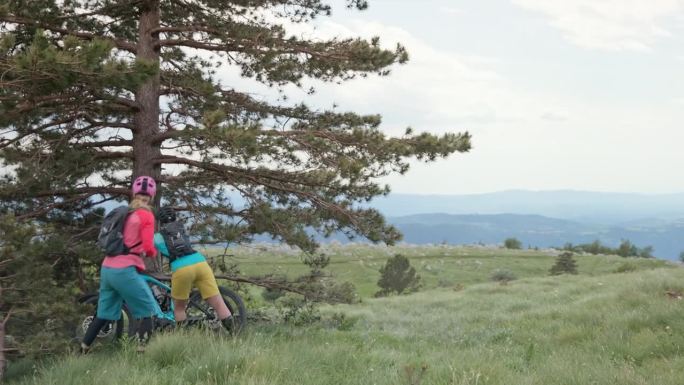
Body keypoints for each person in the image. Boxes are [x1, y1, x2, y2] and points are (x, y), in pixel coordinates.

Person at [80, 176, 160, 353]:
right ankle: (142, 355)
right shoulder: (146, 215)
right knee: (148, 309)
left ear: (134, 193)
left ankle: (82, 350)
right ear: (152, 196)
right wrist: (152, 252)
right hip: (124, 270)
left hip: (108, 268)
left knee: (103, 313)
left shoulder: (124, 212)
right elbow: (148, 246)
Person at [154, 206, 235, 333]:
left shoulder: (157, 237)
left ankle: (183, 339)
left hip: (181, 267)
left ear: (159, 221)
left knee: (179, 308)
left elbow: (148, 249)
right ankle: (235, 334)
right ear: (174, 217)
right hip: (200, 262)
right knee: (219, 304)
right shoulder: (182, 228)